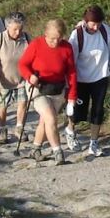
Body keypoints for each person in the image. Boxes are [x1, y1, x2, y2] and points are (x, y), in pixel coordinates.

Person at [65, 5, 110, 157]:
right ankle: (70, 130)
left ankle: (94, 142)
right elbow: (70, 59)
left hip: (100, 77)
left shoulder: (105, 31)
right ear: (85, 21)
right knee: (78, 112)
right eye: (93, 24)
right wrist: (67, 80)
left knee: (98, 110)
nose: (96, 27)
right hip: (80, 79)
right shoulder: (77, 34)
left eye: (98, 23)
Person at [19, 19, 77, 165]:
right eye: (52, 39)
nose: (55, 42)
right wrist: (29, 76)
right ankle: (58, 151)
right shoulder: (36, 44)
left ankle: (35, 149)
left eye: (59, 38)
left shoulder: (67, 48)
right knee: (51, 118)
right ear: (45, 34)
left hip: (57, 89)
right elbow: (23, 64)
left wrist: (72, 96)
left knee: (45, 121)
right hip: (38, 88)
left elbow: (71, 73)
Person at [0, 12, 31, 144]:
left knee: (23, 103)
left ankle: (19, 128)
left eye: (20, 29)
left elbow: (32, 58)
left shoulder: (27, 39)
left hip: (22, 80)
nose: (18, 32)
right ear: (7, 27)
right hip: (3, 80)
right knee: (2, 106)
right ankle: (2, 129)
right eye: (15, 29)